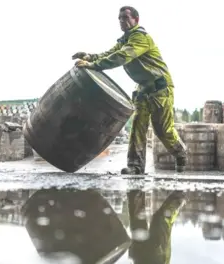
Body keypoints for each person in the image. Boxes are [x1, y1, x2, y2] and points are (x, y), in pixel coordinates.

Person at [71, 6, 187, 175]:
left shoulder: (140, 38)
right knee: (137, 128)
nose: (122, 21)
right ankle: (135, 166)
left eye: (125, 18)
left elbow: (122, 56)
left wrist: (94, 65)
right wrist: (90, 57)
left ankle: (180, 153)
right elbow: (110, 53)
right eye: (119, 18)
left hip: (161, 89)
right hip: (143, 90)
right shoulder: (124, 40)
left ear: (135, 20)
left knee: (163, 131)